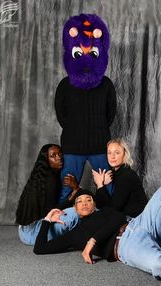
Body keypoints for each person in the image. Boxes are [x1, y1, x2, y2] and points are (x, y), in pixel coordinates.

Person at [33, 187, 161, 281]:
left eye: (88, 199)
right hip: (127, 245)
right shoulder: (73, 236)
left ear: (94, 204)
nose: (84, 203)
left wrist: (92, 241)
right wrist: (47, 220)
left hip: (140, 223)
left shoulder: (105, 211)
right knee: (159, 265)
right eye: (80, 201)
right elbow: (40, 249)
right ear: (74, 208)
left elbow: (118, 218)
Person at [55, 14, 116, 203]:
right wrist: (74, 128)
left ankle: (114, 222)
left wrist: (98, 128)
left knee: (108, 185)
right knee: (66, 187)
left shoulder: (106, 84)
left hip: (99, 144)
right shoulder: (65, 85)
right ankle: (58, 223)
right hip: (73, 145)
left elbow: (110, 113)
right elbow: (61, 113)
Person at [15, 144, 80, 245]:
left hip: (23, 231)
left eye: (60, 154)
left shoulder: (41, 175)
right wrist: (75, 190)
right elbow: (52, 211)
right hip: (34, 234)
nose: (59, 158)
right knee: (77, 212)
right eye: (53, 156)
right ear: (46, 160)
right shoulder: (50, 181)